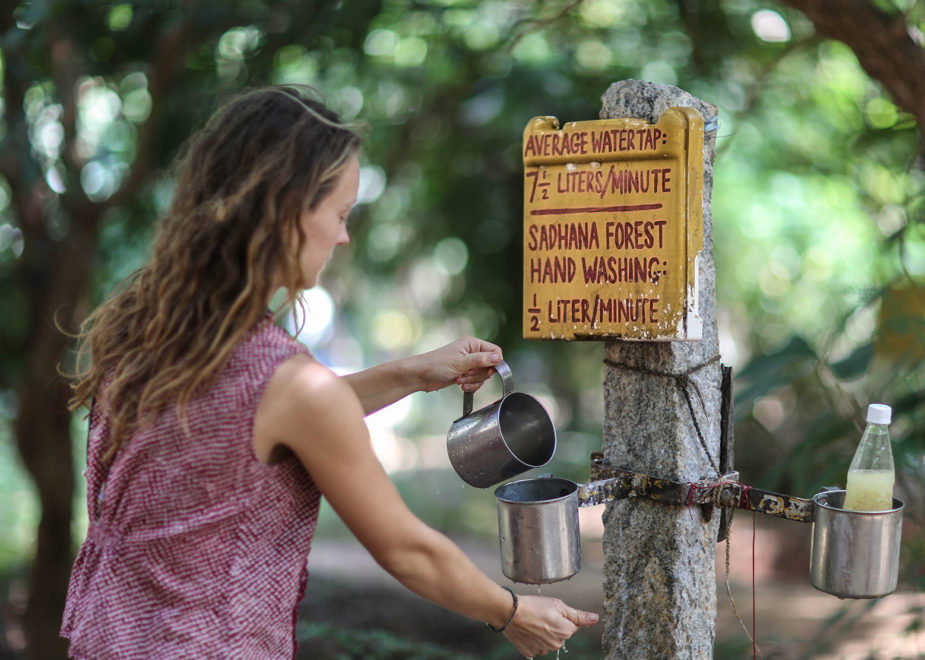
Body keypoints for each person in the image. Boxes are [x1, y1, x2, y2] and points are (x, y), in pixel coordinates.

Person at [61, 85, 597, 659]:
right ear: (285, 208)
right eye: (339, 214)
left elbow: (253, 423)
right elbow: (405, 549)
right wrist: (512, 612)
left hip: (106, 640)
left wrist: (414, 373)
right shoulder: (284, 382)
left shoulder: (147, 332)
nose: (343, 236)